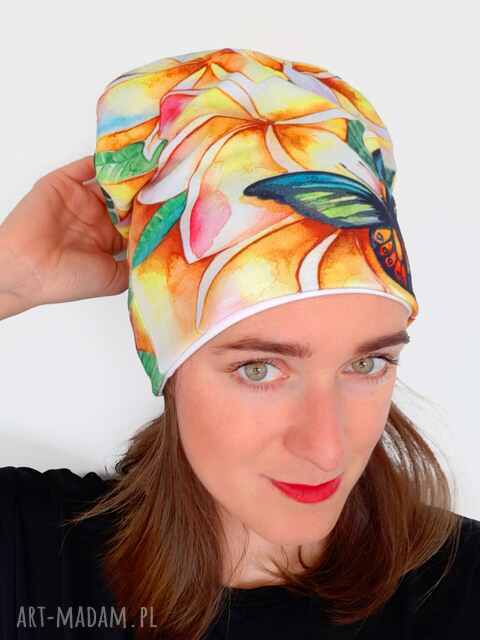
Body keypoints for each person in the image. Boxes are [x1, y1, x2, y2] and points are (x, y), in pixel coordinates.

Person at [1, 48, 479, 640]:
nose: (326, 449)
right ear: (168, 368)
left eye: (367, 362)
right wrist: (10, 278)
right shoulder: (30, 557)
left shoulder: (461, 589)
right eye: (260, 369)